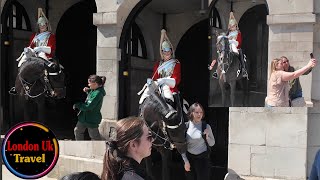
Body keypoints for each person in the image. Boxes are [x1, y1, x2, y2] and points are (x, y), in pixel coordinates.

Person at [9, 10, 56, 95]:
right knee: (21, 62)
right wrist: (27, 50)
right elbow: (31, 46)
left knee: (46, 67)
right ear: (38, 26)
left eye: (44, 24)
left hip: (44, 55)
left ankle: (49, 89)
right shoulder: (34, 36)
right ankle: (17, 86)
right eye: (40, 25)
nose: (42, 26)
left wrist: (40, 48)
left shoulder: (51, 36)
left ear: (46, 25)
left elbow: (50, 49)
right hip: (34, 54)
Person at [181, 103, 215, 180]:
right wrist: (185, 161)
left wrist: (207, 137)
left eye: (201, 112)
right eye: (196, 112)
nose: (199, 114)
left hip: (203, 160)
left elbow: (212, 143)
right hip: (189, 159)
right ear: (191, 113)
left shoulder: (206, 126)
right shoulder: (186, 126)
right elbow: (181, 146)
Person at [209, 11, 248, 79]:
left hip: (235, 46)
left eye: (234, 26)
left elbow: (239, 42)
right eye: (231, 26)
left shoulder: (238, 33)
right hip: (227, 47)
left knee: (240, 53)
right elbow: (224, 40)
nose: (233, 27)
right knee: (220, 53)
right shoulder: (228, 33)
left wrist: (232, 40)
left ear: (236, 26)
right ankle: (216, 71)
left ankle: (244, 69)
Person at [73, 75, 106, 140]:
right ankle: (80, 147)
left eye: (89, 83)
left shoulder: (98, 93)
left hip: (91, 119)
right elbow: (91, 96)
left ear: (95, 83)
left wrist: (77, 105)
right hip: (83, 117)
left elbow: (88, 106)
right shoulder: (94, 90)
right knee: (77, 131)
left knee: (94, 136)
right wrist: (88, 91)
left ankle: (98, 148)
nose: (88, 85)